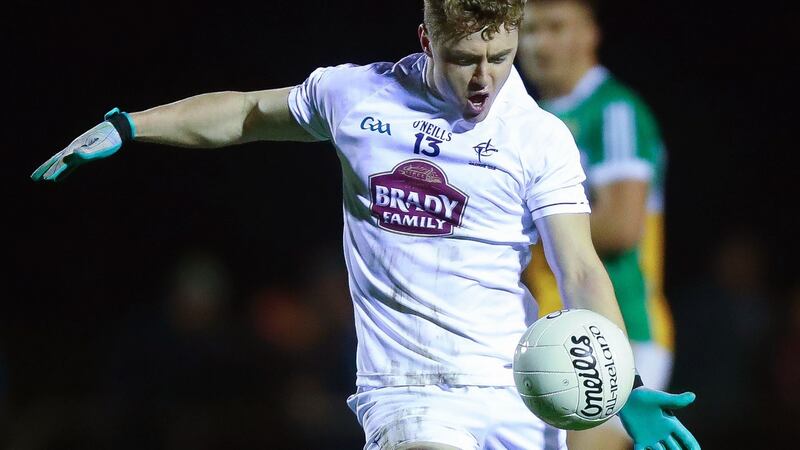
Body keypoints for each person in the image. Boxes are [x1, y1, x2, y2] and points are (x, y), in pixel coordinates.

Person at [31, 1, 699, 449]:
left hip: (521, 389)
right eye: (465, 57)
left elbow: (581, 268)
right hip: (408, 393)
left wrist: (624, 385)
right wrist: (131, 125)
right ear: (425, 40)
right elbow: (244, 115)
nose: (484, 77)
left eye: (499, 55)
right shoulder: (358, 96)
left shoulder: (538, 136)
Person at [516, 1, 675, 449]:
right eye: (529, 30)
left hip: (615, 329)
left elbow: (623, 227)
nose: (539, 44)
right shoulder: (531, 120)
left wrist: (516, 239)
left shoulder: (614, 112)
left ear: (590, 33)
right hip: (542, 329)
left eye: (556, 27)